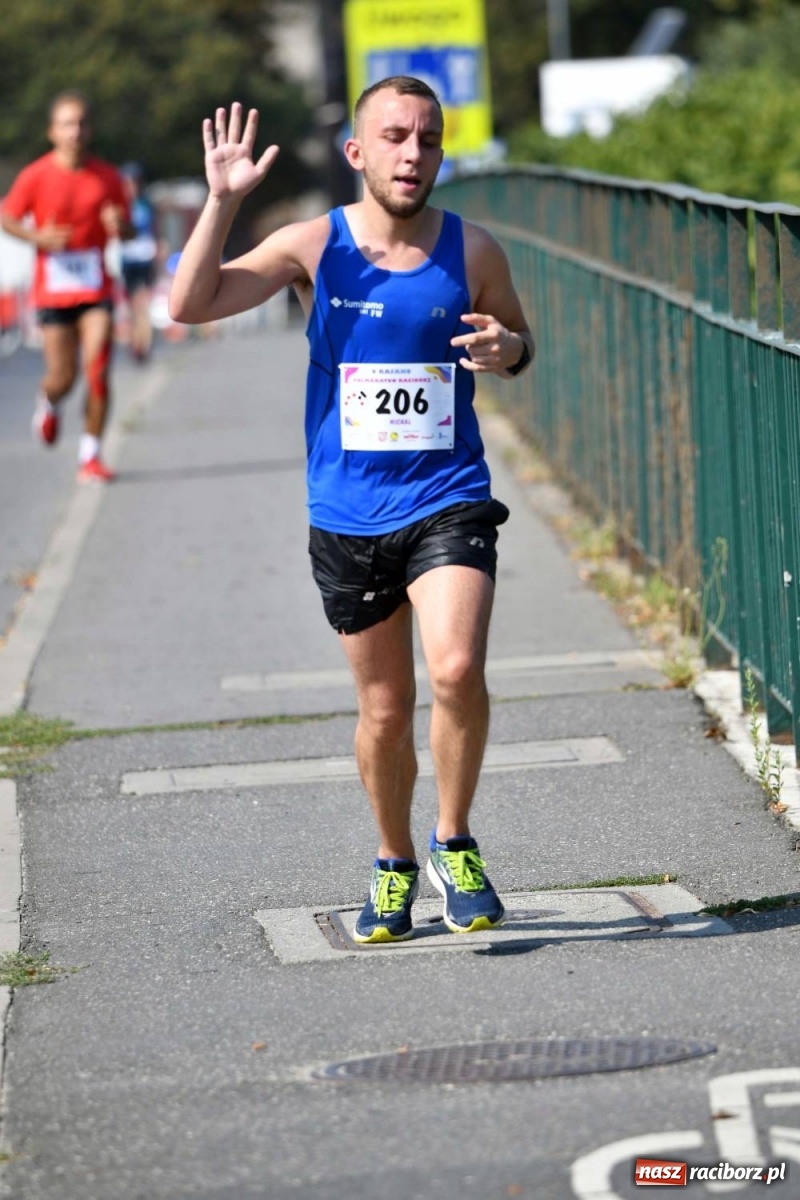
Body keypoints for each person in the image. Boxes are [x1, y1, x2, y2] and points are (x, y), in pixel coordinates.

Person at [169, 77, 535, 944]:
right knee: (383, 709)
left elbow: (519, 346)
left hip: (449, 497)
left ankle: (455, 841)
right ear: (358, 152)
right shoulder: (313, 246)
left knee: (453, 669)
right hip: (349, 512)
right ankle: (392, 860)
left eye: (431, 139)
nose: (415, 154)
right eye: (397, 137)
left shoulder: (473, 249)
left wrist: (506, 348)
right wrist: (221, 203)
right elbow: (189, 305)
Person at [0, 90, 130, 482]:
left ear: (89, 129)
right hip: (54, 291)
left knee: (98, 368)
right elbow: (7, 218)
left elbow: (129, 227)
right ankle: (49, 402)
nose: (75, 131)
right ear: (52, 131)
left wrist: (119, 226)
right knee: (63, 376)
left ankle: (90, 455)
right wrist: (38, 239)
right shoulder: (35, 175)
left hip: (95, 290)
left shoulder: (107, 177)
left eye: (80, 123)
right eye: (66, 124)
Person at [119, 162, 158, 362]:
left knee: (142, 301)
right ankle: (136, 340)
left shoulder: (145, 204)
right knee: (132, 304)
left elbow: (153, 231)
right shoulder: (120, 205)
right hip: (127, 259)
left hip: (144, 257)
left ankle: (144, 341)